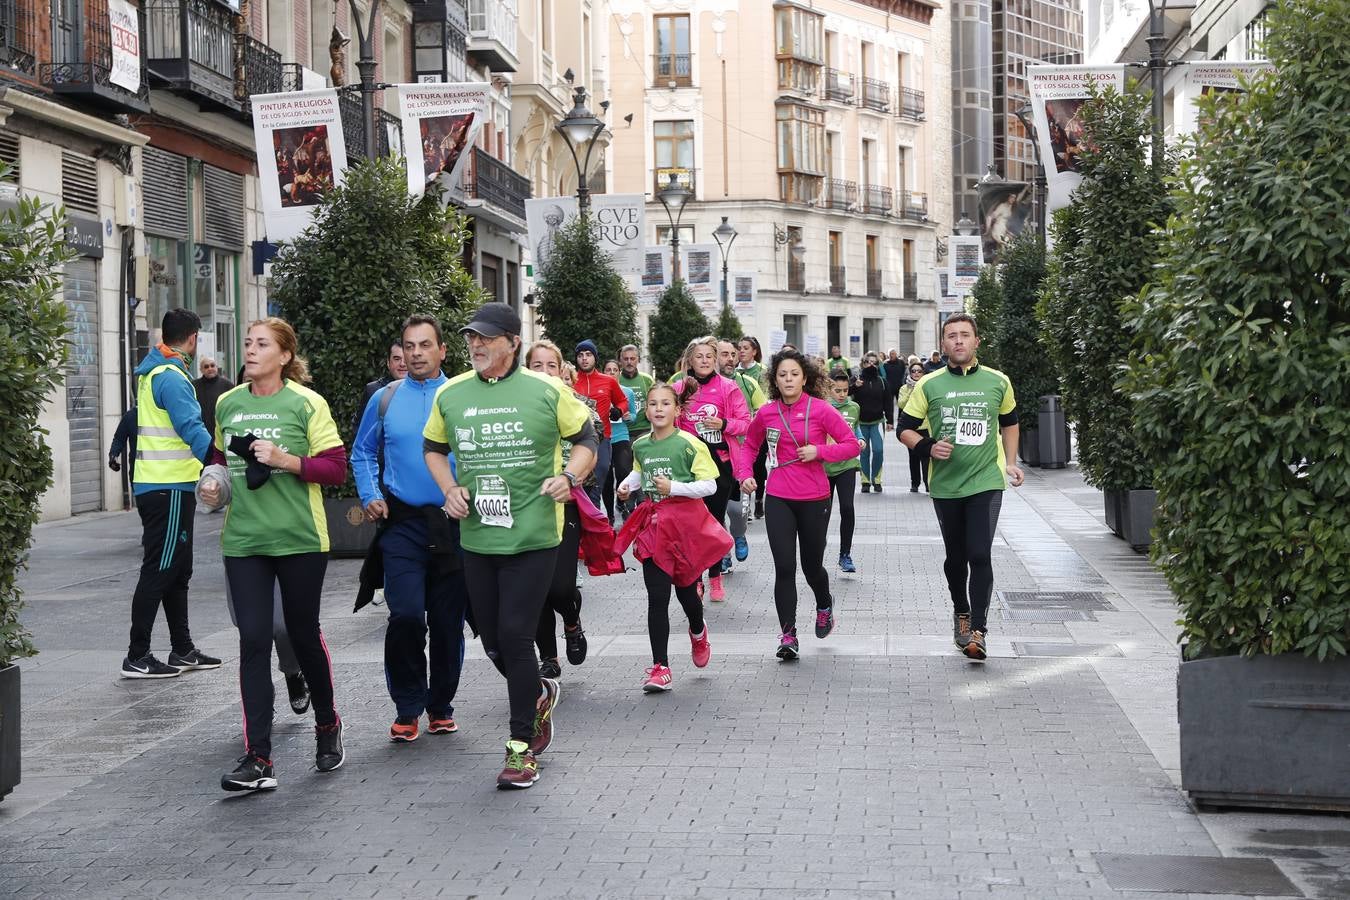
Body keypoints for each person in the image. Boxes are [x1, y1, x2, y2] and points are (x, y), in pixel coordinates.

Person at [423, 303, 596, 790]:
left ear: (512, 342)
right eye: (471, 339)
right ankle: (538, 694)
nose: (476, 346)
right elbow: (433, 449)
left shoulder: (547, 389)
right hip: (478, 536)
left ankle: (521, 749)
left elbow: (586, 438)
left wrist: (569, 475)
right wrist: (449, 489)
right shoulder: (451, 393)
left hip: (535, 533)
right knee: (495, 640)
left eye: (486, 338)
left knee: (518, 636)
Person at [201, 317, 348, 791]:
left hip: (300, 538)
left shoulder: (307, 403)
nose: (251, 350)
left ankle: (327, 725)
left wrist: (285, 460)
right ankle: (259, 758)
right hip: (244, 541)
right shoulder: (228, 402)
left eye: (262, 344)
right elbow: (220, 460)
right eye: (247, 343)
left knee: (303, 635)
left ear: (284, 356)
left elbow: (334, 470)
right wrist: (211, 484)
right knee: (254, 640)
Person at [352, 314, 468, 743]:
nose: (416, 353)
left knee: (446, 621)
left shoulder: (462, 397)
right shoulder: (384, 398)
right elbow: (362, 452)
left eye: (425, 345)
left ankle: (440, 705)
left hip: (454, 524)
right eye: (409, 346)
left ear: (442, 350)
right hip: (401, 524)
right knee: (404, 615)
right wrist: (369, 494)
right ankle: (407, 706)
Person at [898, 313, 1024, 662]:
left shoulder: (998, 381)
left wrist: (1011, 461)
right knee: (956, 558)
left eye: (965, 335)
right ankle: (961, 611)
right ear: (943, 344)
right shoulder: (930, 385)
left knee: (980, 554)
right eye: (951, 336)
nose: (958, 341)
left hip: (986, 480)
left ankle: (979, 630)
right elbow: (904, 429)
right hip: (945, 483)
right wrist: (928, 446)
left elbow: (1010, 422)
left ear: (976, 341)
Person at [736, 350, 860, 660]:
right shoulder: (766, 413)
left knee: (811, 567)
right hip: (779, 497)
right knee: (785, 567)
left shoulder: (821, 410)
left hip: (814, 498)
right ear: (774, 380)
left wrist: (818, 452)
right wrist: (745, 475)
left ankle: (823, 602)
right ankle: (788, 635)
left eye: (794, 373)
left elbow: (849, 445)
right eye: (782, 374)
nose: (788, 379)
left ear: (804, 378)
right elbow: (749, 446)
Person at [122, 308, 221, 679]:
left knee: (178, 570)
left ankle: (182, 649)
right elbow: (191, 427)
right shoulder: (172, 377)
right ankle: (137, 654)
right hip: (167, 488)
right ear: (193, 338)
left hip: (166, 486)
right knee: (160, 570)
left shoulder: (156, 371)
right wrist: (217, 463)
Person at [616, 381, 723, 693]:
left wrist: (674, 488)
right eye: (653, 404)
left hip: (684, 526)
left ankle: (698, 630)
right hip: (653, 525)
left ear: (677, 410)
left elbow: (710, 485)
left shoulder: (690, 444)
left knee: (687, 593)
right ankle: (660, 667)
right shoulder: (641, 445)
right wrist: (627, 485)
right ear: (646, 410)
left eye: (665, 403)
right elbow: (640, 470)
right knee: (657, 596)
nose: (659, 409)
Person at [525, 340, 599, 681]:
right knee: (536, 588)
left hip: (567, 507)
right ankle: (548, 657)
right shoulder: (516, 408)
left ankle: (571, 621)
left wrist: (574, 478)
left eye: (550, 366)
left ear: (562, 371)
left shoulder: (580, 405)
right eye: (536, 366)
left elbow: (593, 451)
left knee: (561, 588)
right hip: (528, 509)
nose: (544, 373)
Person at [673, 336, 751, 603]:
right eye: (699, 357)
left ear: (716, 359)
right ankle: (696, 580)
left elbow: (746, 423)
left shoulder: (728, 387)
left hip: (720, 465)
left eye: (709, 356)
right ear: (690, 361)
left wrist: (723, 423)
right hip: (687, 466)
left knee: (714, 524)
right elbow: (665, 420)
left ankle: (715, 577)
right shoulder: (680, 387)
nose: (704, 361)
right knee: (692, 525)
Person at [720, 340, 765, 566]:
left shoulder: (747, 383)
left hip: (740, 455)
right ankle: (723, 555)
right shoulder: (698, 385)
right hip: (711, 458)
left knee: (736, 511)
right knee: (716, 511)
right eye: (724, 354)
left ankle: (739, 535)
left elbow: (764, 410)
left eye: (733, 354)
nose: (730, 358)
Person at [572, 340, 629, 508]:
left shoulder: (608, 381)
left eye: (588, 355)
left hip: (603, 437)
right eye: (580, 355)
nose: (584, 359)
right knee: (580, 481)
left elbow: (622, 401)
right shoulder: (572, 380)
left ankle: (597, 522)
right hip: (577, 439)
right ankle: (584, 522)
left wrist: (618, 410)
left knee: (599, 477)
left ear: (595, 358)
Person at [825, 372, 864, 574]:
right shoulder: (822, 407)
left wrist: (860, 439)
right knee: (823, 512)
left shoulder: (854, 407)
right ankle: (817, 552)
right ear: (828, 390)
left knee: (847, 508)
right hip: (823, 466)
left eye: (845, 390)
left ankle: (845, 554)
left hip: (846, 464)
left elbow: (856, 430)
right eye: (837, 391)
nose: (842, 395)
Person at [616, 344, 655, 518]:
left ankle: (644, 504)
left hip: (643, 429)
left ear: (638, 360)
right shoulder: (616, 381)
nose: (629, 362)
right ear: (620, 361)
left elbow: (655, 399)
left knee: (644, 466)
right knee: (626, 469)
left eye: (633, 358)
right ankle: (628, 506)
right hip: (623, 431)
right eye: (626, 359)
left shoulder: (647, 380)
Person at [736, 336, 770, 519]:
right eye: (739, 348)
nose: (741, 351)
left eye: (746, 348)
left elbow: (766, 397)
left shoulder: (763, 371)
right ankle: (745, 504)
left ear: (754, 351)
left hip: (759, 426)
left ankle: (759, 499)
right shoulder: (733, 372)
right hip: (739, 428)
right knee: (743, 464)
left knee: (758, 466)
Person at [851, 351, 893, 493]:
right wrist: (854, 386)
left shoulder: (882, 381)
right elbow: (844, 393)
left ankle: (876, 479)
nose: (871, 365)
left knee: (878, 450)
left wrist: (890, 420)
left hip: (877, 422)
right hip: (861, 423)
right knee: (864, 452)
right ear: (863, 363)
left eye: (874, 362)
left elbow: (888, 402)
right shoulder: (856, 379)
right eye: (868, 362)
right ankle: (865, 481)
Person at [602, 359, 638, 525]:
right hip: (604, 437)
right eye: (608, 370)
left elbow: (634, 415)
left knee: (624, 471)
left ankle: (622, 503)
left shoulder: (627, 392)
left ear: (619, 372)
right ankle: (609, 515)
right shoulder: (600, 391)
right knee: (607, 478)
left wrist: (630, 417)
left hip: (621, 436)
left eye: (614, 370)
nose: (611, 372)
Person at [351, 342, 408, 437]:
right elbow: (359, 429)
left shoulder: (426, 391)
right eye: (397, 359)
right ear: (388, 363)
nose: (402, 364)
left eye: (406, 359)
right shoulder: (373, 390)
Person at [898, 362, 931, 492]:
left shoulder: (927, 387)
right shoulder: (904, 388)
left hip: (925, 426)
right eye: (913, 371)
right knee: (913, 457)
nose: (916, 373)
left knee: (926, 457)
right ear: (909, 373)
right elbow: (901, 404)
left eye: (919, 371)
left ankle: (928, 483)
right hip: (911, 428)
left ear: (923, 373)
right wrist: (912, 390)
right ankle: (915, 483)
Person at [193, 356, 235, 441]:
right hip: (200, 434)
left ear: (217, 367)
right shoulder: (194, 386)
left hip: (221, 433)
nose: (210, 368)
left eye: (212, 365)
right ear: (201, 370)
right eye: (206, 366)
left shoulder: (228, 385)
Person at [107, 405, 138, 482]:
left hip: (164, 477)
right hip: (138, 476)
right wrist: (113, 456)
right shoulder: (131, 416)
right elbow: (119, 439)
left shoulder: (165, 415)